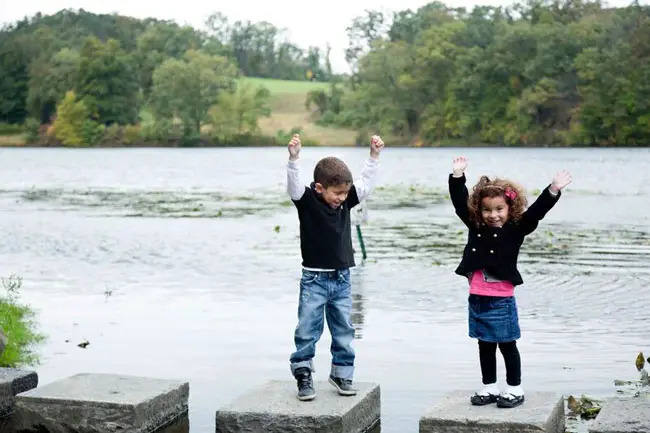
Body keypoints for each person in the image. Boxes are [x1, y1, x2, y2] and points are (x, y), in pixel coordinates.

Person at [449, 156, 572, 408]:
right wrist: (458, 177)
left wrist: (553, 190)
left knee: (507, 344)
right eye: (487, 210)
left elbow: (537, 211)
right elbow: (460, 204)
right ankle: (489, 387)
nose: (493, 215)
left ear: (509, 209)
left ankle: (515, 388)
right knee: (484, 344)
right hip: (478, 298)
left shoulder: (517, 228)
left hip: (501, 300)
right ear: (479, 211)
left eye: (498, 209)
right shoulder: (476, 226)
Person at [286, 133, 384, 401]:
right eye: (337, 193)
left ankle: (341, 372)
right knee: (307, 328)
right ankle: (303, 373)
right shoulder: (306, 201)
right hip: (314, 280)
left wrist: (373, 156)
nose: (342, 197)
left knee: (344, 329)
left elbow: (364, 186)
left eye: (345, 192)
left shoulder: (347, 199)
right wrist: (294, 160)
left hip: (342, 279)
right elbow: (293, 186)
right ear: (319, 188)